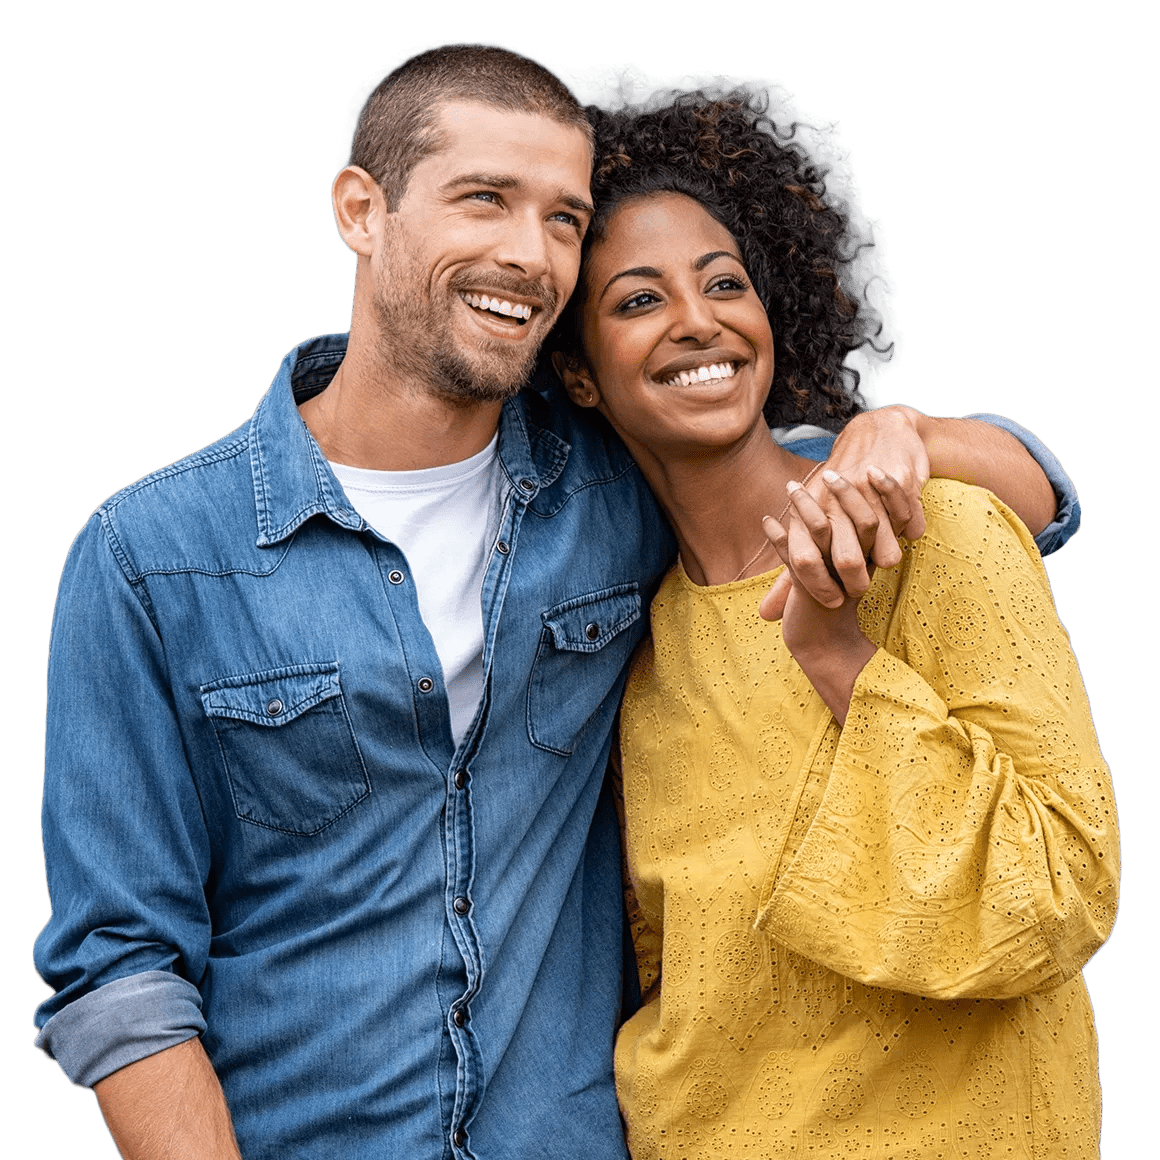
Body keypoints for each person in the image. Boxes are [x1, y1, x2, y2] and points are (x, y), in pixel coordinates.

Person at [34, 46, 1079, 1160]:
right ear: (361, 210)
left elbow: (963, 487)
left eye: (563, 218)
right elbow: (118, 966)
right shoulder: (150, 556)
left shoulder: (615, 491)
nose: (526, 254)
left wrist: (913, 433)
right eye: (484, 199)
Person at [551, 94, 1117, 1158]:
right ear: (577, 372)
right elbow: (676, 978)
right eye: (637, 300)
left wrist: (833, 652)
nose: (697, 318)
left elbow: (1058, 889)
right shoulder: (638, 653)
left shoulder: (940, 531)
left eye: (725, 282)